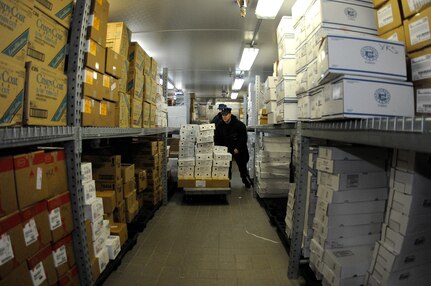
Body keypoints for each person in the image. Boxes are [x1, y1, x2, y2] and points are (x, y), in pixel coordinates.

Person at [214, 107, 253, 189]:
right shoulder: (219, 125)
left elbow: (243, 138)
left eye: (226, 115)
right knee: (226, 166)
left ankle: (245, 180)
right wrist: (220, 149)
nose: (224, 117)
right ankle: (227, 181)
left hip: (238, 149)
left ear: (230, 114)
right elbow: (217, 138)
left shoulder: (239, 125)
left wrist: (237, 148)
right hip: (226, 149)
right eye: (223, 115)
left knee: (242, 166)